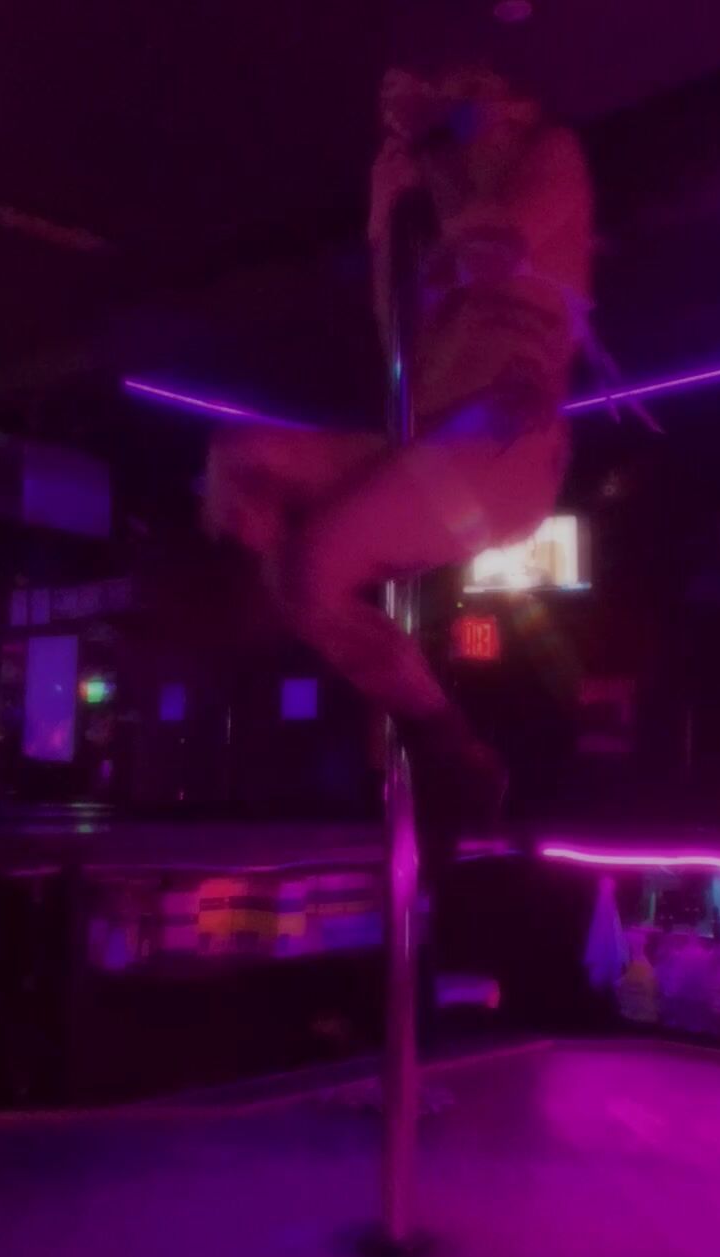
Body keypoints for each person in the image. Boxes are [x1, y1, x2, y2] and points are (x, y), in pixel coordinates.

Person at [204, 63, 594, 857]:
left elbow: (492, 244)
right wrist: (392, 205)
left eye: (469, 85)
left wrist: (434, 147)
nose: (450, 94)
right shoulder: (427, 191)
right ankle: (316, 620)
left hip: (503, 446)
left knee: (312, 565)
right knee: (239, 458)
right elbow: (398, 335)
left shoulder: (550, 154)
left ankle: (441, 739)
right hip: (430, 433)